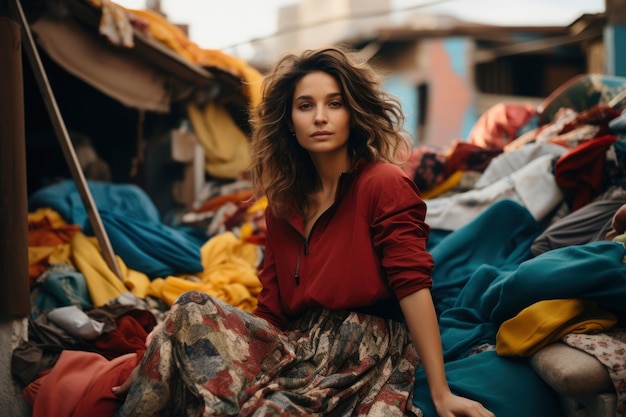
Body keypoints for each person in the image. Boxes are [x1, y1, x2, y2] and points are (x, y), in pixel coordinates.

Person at [113, 47, 494, 417]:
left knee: (269, 411)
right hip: (299, 345)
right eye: (306, 105)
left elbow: (413, 286)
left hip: (367, 350)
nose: (320, 117)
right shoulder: (284, 205)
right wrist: (161, 355)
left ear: (353, 112)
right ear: (289, 121)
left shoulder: (383, 183)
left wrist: (441, 394)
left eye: (335, 103)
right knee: (188, 307)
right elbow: (271, 310)